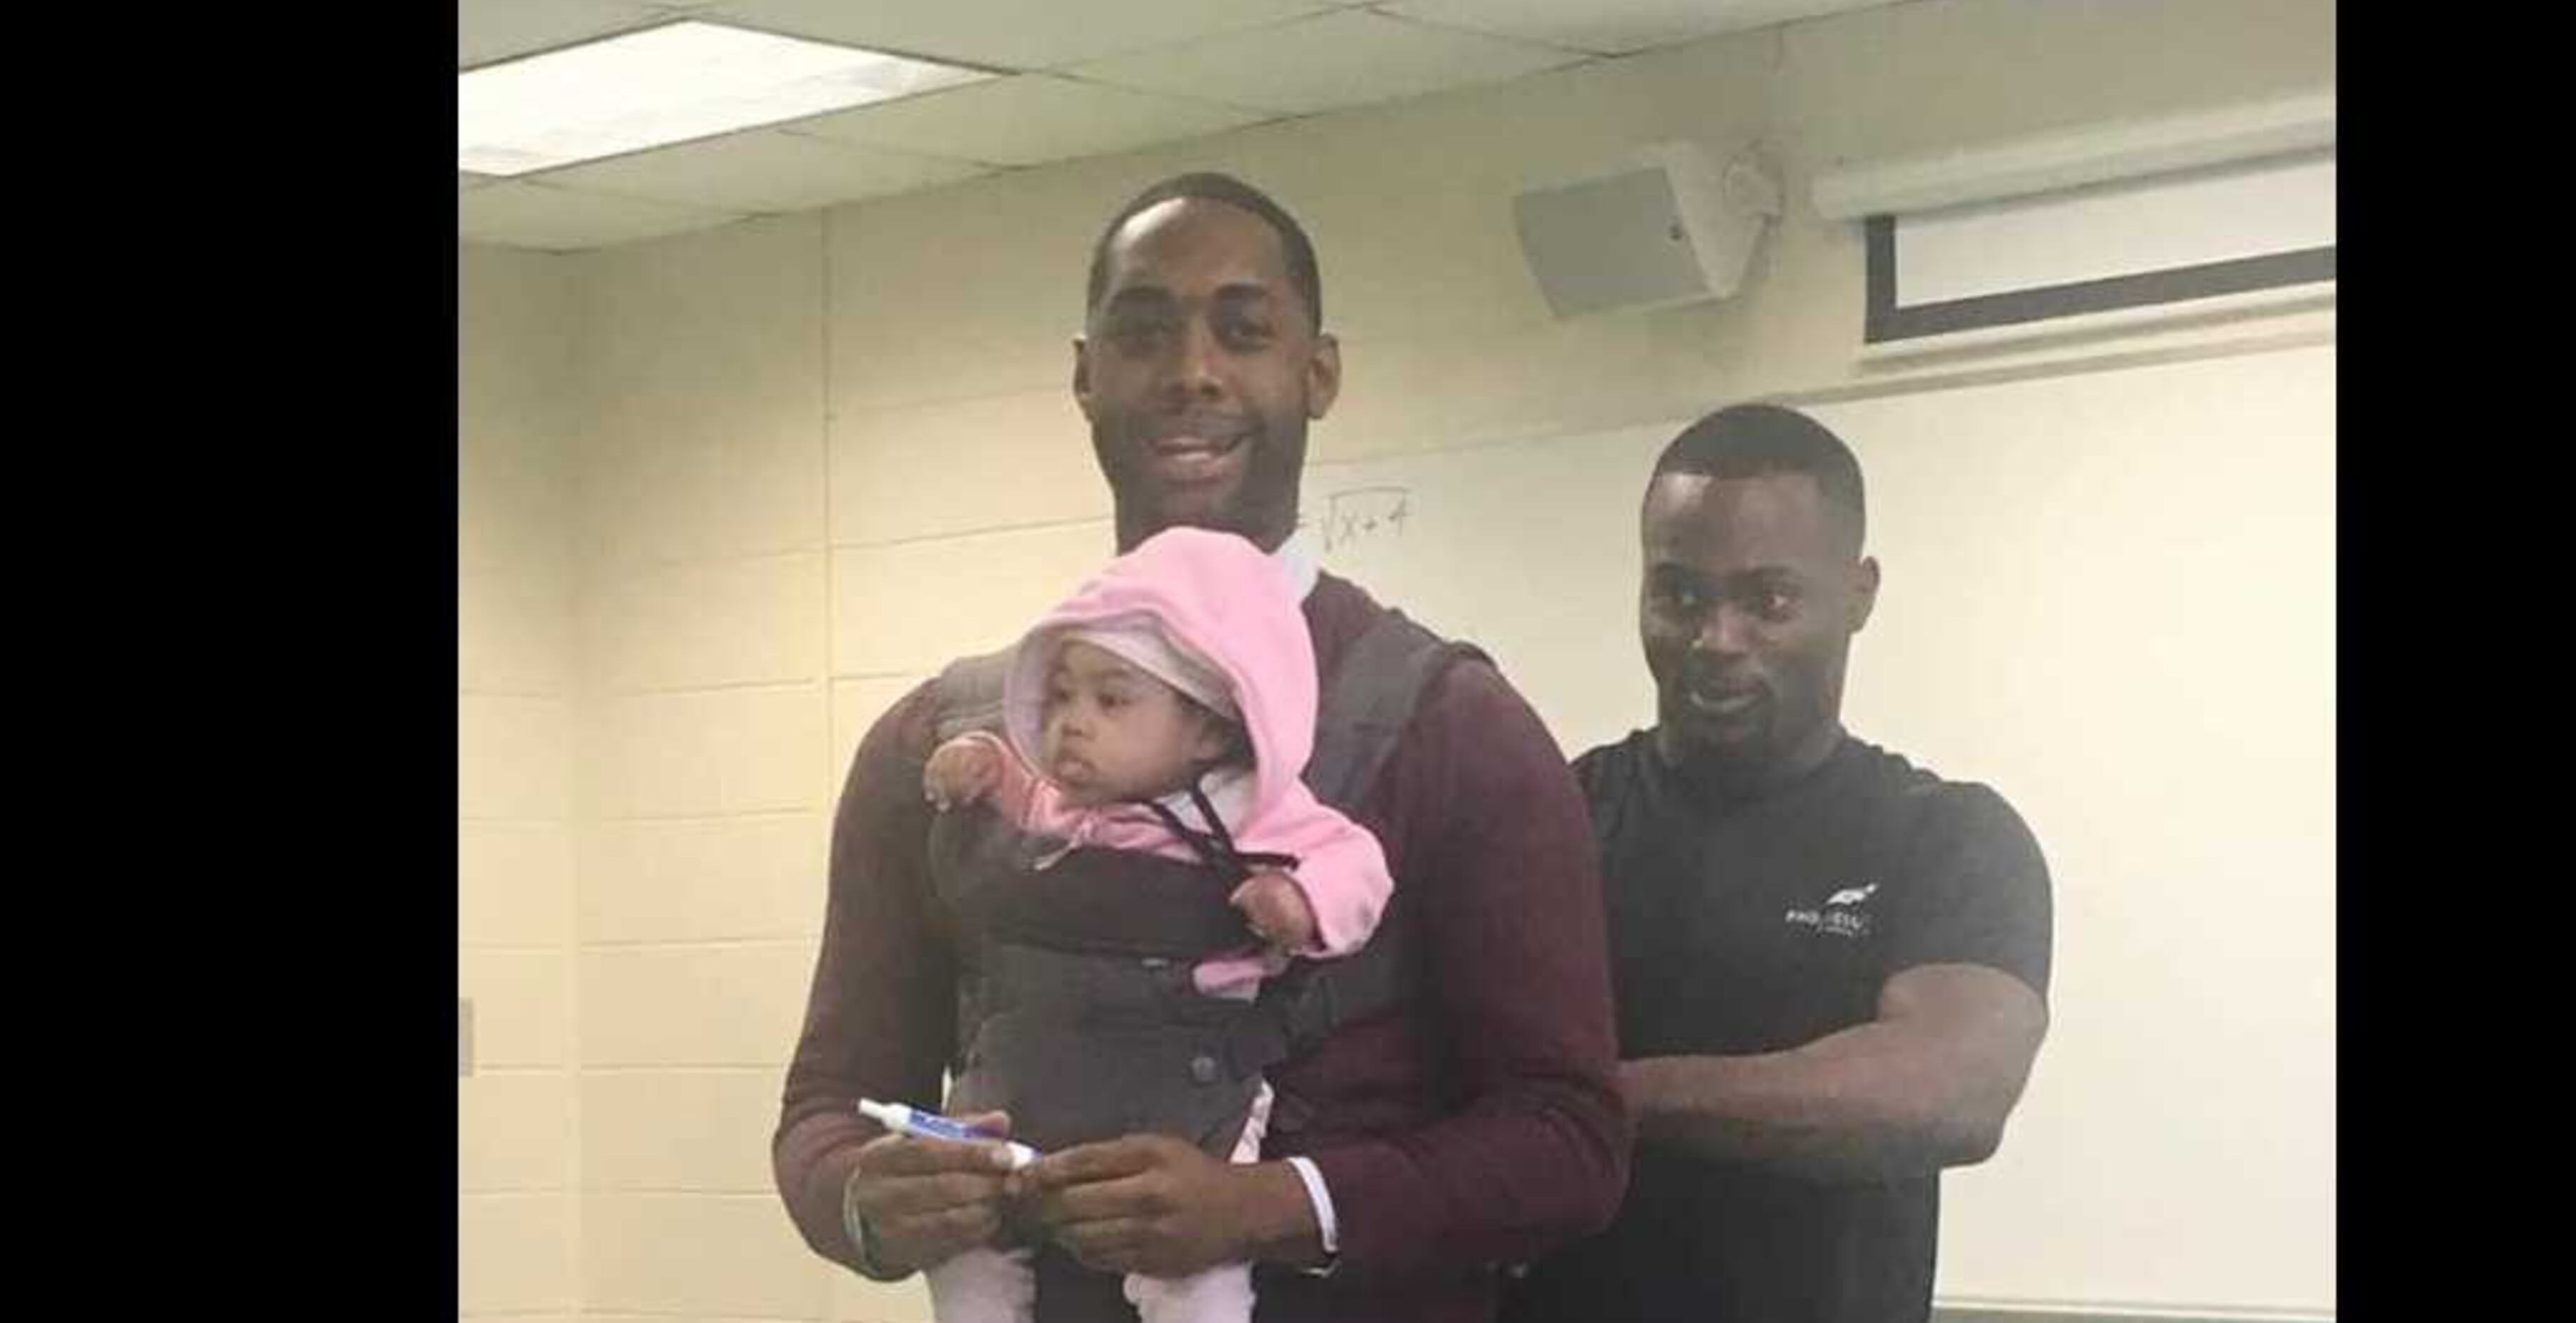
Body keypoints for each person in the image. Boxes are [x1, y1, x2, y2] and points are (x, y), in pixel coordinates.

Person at [773, 171, 1628, 1323]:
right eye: (1142, 332)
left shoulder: (1452, 729)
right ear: (1084, 375)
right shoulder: (944, 745)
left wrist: (1278, 1205)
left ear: (1317, 373)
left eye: (1244, 329)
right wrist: (865, 1199)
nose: (1191, 372)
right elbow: (830, 1104)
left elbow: (1569, 1141)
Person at [1505, 402, 2054, 1323]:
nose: (1717, 640)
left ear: (1859, 593)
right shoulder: (1548, 819)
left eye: (1768, 599)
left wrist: (1621, 1099)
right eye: (1680, 594)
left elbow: (1951, 1090)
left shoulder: (1950, 837)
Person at [917, 524, 1393, 1323]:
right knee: (964, 1237)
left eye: (1112, 700)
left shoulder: (1254, 810)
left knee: (1198, 1276)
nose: (1072, 722)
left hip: (1181, 1085)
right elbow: (1014, 793)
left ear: (1209, 722)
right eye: (1061, 695)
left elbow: (1360, 869)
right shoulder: (1063, 803)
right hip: (1033, 1072)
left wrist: (1300, 903)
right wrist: (980, 762)